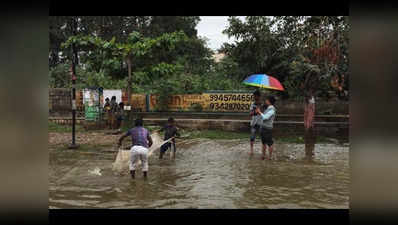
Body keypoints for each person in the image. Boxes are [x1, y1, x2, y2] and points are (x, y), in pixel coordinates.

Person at [255, 95, 277, 160]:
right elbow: (262, 115)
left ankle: (270, 157)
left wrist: (259, 112)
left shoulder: (272, 109)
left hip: (267, 129)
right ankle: (263, 156)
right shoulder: (267, 108)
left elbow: (265, 117)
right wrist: (258, 111)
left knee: (270, 143)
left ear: (269, 101)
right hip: (263, 128)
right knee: (263, 143)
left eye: (266, 100)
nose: (265, 101)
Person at [249, 90, 264, 156]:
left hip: (261, 123)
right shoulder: (252, 104)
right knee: (252, 137)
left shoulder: (263, 104)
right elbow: (250, 114)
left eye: (255, 96)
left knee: (263, 138)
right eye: (254, 96)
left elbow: (265, 113)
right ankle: (251, 151)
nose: (254, 97)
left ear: (259, 96)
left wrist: (260, 110)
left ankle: (263, 151)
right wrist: (255, 111)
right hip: (254, 123)